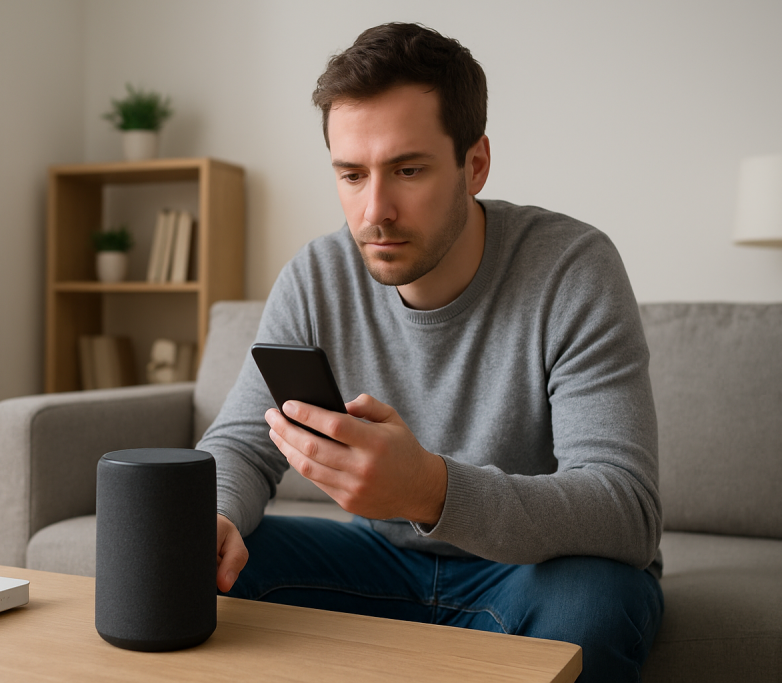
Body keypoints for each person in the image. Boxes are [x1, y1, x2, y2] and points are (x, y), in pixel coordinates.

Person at [196, 22, 663, 682]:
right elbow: (243, 444)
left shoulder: (571, 269)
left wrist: (429, 489)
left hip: (529, 573)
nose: (373, 212)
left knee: (597, 605)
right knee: (198, 566)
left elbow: (627, 509)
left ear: (474, 164)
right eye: (351, 175)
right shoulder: (316, 276)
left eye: (407, 170)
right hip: (377, 561)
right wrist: (211, 517)